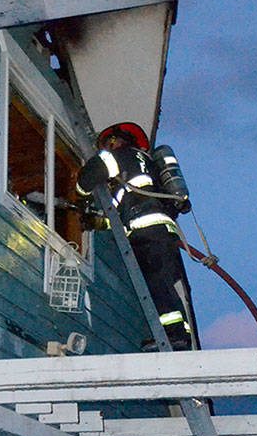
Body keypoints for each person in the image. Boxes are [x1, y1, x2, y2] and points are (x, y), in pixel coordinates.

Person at [76, 122, 196, 351]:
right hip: (164, 231)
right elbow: (127, 211)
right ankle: (180, 335)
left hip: (146, 231)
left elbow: (88, 178)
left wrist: (80, 194)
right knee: (164, 285)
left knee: (158, 285)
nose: (107, 148)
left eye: (108, 144)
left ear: (115, 142)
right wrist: (98, 222)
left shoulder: (117, 156)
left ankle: (175, 337)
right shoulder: (148, 164)